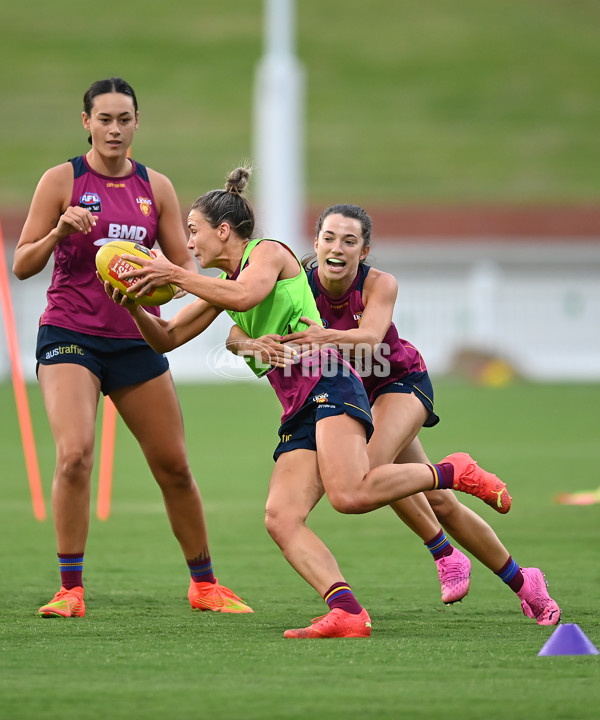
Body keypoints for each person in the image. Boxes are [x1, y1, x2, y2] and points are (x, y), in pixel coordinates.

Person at [105, 166, 513, 639]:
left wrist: (174, 274)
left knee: (350, 495)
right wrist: (132, 303)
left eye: (193, 231)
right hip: (298, 402)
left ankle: (452, 473)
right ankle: (346, 611)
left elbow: (245, 296)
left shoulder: (270, 253)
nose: (188, 243)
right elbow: (167, 338)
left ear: (223, 231)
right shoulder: (223, 282)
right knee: (280, 517)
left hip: (331, 382)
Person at [12, 78, 252, 618]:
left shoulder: (156, 188)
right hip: (70, 333)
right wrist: (57, 232)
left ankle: (205, 585)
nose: (114, 128)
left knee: (174, 467)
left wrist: (157, 279)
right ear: (86, 123)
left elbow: (184, 269)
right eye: (104, 119)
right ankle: (70, 590)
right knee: (75, 455)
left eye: (124, 119)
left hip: (134, 338)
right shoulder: (62, 180)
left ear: (137, 122)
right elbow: (22, 264)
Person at [268, 203, 559, 626]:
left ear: (364, 251)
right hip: (351, 401)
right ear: (315, 243)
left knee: (369, 470)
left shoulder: (380, 284)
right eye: (329, 238)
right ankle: (525, 581)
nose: (337, 247)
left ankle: (443, 544)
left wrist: (318, 337)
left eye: (349, 241)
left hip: (397, 383)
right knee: (438, 501)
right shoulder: (298, 284)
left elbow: (368, 341)